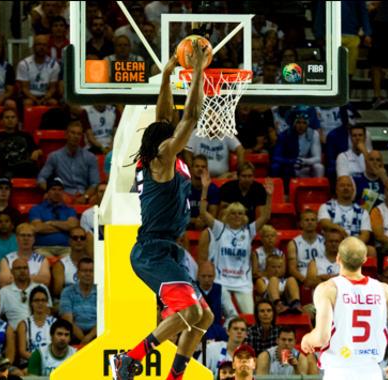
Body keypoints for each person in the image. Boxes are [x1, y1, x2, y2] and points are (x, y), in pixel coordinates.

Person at [111, 47, 211, 380]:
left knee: (204, 318)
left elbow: (164, 115)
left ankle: (174, 377)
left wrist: (168, 75)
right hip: (152, 250)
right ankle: (129, 358)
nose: (172, 127)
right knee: (190, 311)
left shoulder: (160, 152)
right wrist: (197, 72)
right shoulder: (163, 157)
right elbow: (191, 117)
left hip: (167, 248)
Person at [300, 237, 388, 380]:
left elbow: (322, 338)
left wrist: (307, 339)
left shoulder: (328, 289)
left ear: (338, 258)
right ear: (365, 260)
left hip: (338, 372)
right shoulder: (383, 290)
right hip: (371, 372)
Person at [201, 169, 272, 313]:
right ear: (227, 214)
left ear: (245, 216)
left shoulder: (248, 230)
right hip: (222, 281)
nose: (236, 216)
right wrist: (205, 189)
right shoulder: (220, 228)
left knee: (249, 316)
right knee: (232, 315)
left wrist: (269, 196)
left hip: (243, 282)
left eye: (240, 213)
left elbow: (265, 217)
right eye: (233, 213)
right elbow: (203, 213)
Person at [318, 176, 376, 257]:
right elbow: (324, 223)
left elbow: (365, 235)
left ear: (353, 190)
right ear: (336, 190)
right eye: (342, 185)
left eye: (348, 185)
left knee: (371, 250)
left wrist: (351, 243)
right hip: (332, 244)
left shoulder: (362, 212)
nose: (346, 188)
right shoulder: (326, 207)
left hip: (353, 246)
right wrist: (340, 229)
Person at [0, 108, 43, 178]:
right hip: (7, 171)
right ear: (1, 121)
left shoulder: (26, 136)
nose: (10, 120)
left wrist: (36, 152)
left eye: (13, 117)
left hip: (27, 168)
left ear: (17, 120)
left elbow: (40, 150)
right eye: (7, 117)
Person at [28, 178, 79, 256]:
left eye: (60, 190)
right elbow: (38, 228)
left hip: (66, 248)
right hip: (42, 248)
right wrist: (64, 227)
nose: (57, 192)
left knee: (71, 261)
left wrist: (51, 223)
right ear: (47, 192)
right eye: (53, 189)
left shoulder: (69, 210)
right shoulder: (36, 209)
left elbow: (72, 226)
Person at [0, 258, 52, 330]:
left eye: (25, 268)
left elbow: (48, 313)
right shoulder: (4, 292)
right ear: (12, 272)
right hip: (15, 333)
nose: (22, 271)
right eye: (18, 268)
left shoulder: (41, 288)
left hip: (39, 330)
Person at [270, 109, 324, 181]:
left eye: (304, 123)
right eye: (298, 122)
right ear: (293, 123)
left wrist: (304, 161)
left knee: (319, 167)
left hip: (306, 164)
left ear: (307, 124)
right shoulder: (284, 135)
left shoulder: (313, 134)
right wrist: (290, 161)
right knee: (276, 166)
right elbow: (276, 157)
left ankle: (318, 190)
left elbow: (318, 158)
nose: (301, 126)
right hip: (290, 166)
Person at [196, 261, 238, 342]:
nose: (206, 279)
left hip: (216, 331)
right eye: (203, 276)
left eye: (210, 276)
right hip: (195, 330)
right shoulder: (191, 290)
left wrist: (224, 328)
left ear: (214, 276)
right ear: (198, 276)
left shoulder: (222, 291)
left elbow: (233, 315)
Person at [60, 258, 97, 344]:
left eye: (91, 271)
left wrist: (89, 337)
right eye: (84, 271)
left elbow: (103, 320)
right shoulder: (67, 292)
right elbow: (68, 320)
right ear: (78, 273)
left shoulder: (102, 291)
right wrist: (83, 339)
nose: (88, 274)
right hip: (74, 334)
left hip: (96, 334)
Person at [17, 286, 56, 365]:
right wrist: (40, 361)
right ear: (31, 303)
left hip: (51, 363)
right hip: (30, 363)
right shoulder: (23, 324)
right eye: (36, 300)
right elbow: (22, 352)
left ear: (47, 302)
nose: (40, 303)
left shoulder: (54, 323)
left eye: (43, 300)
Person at [287, 209, 326, 289]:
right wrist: (305, 280)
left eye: (313, 220)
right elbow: (292, 269)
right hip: (303, 278)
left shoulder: (325, 241)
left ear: (316, 223)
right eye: (306, 220)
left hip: (321, 276)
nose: (310, 222)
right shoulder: (293, 243)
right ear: (301, 223)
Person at [17, 35, 60, 106]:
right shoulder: (24, 64)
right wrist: (36, 100)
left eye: (44, 45)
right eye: (39, 44)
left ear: (48, 48)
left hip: (46, 96)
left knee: (53, 103)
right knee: (28, 103)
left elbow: (52, 88)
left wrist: (44, 99)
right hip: (29, 96)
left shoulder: (54, 65)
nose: (41, 47)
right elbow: (24, 88)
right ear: (33, 47)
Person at [52, 227, 92, 297]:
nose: (79, 240)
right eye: (75, 238)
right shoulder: (60, 265)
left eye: (82, 238)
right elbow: (57, 292)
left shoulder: (93, 264)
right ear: (69, 241)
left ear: (85, 241)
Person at [187, 155, 220, 230]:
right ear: (191, 169)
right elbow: (178, 215)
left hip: (207, 227)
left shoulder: (213, 189)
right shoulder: (183, 188)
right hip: (185, 226)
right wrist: (195, 220)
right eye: (197, 166)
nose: (200, 169)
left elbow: (213, 215)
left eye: (203, 167)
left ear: (207, 170)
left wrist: (203, 221)